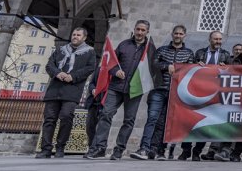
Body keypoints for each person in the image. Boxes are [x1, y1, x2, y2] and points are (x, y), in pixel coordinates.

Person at [85, 20, 151, 160]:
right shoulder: (124, 45)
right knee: (105, 114)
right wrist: (115, 71)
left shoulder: (150, 49)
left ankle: (119, 149)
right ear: (134, 29)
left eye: (143, 30)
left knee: (129, 120)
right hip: (116, 87)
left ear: (147, 32)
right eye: (138, 29)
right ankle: (99, 148)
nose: (139, 32)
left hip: (134, 90)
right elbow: (111, 63)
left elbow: (151, 70)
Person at [130, 24, 194, 160]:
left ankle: (158, 150)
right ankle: (144, 149)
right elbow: (153, 64)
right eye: (176, 33)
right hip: (158, 90)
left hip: (175, 94)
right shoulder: (162, 50)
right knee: (152, 119)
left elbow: (190, 70)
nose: (178, 36)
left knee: (164, 122)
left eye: (180, 34)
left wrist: (179, 68)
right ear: (172, 34)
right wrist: (167, 66)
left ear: (184, 36)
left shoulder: (188, 53)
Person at [36, 27, 95, 159]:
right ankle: (45, 149)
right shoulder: (61, 50)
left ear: (84, 38)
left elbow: (90, 68)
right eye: (74, 34)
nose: (75, 36)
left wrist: (73, 76)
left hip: (72, 90)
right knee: (49, 119)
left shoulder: (89, 52)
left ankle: (60, 147)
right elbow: (49, 65)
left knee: (66, 117)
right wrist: (58, 73)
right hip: (55, 89)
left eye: (78, 35)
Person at [179, 30, 231, 161]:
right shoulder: (200, 53)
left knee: (204, 124)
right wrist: (196, 65)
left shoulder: (226, 55)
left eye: (220, 39)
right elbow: (189, 69)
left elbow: (230, 73)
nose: (218, 42)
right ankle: (186, 151)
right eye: (216, 39)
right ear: (210, 39)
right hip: (196, 93)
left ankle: (197, 151)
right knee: (189, 122)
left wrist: (226, 68)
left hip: (213, 95)